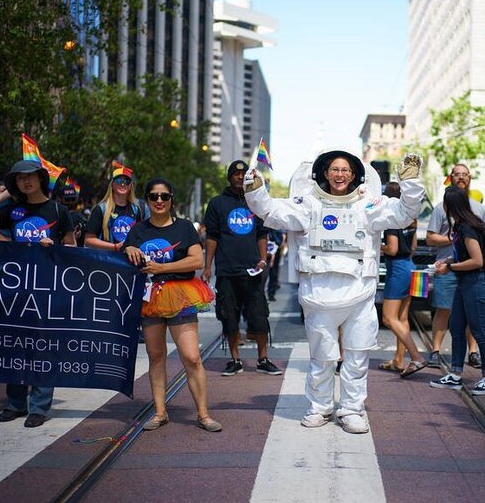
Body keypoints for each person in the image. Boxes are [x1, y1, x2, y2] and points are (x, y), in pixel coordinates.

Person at [244, 151, 424, 434]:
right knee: (322, 359)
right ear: (324, 173)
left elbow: (404, 213)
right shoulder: (308, 204)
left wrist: (411, 183)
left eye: (345, 170)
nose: (340, 175)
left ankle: (352, 409)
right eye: (334, 170)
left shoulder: (368, 203)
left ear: (354, 175)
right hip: (318, 296)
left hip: (359, 296)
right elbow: (271, 212)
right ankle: (320, 407)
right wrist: (254, 189)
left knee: (356, 357)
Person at [0, 159, 76, 427]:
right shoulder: (13, 208)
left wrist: (51, 246)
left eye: (30, 177)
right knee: (14, 346)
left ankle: (39, 406)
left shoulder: (58, 209)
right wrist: (7, 193)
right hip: (15, 286)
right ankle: (15, 403)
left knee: (43, 346)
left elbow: (72, 249)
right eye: (19, 178)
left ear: (41, 178)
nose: (26, 182)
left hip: (46, 287)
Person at [122, 177, 221, 432]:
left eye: (164, 196)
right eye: (153, 196)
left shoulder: (185, 227)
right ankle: (160, 412)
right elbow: (124, 255)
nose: (158, 201)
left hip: (181, 295)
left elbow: (196, 261)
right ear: (147, 200)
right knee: (156, 356)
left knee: (191, 357)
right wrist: (129, 249)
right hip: (148, 298)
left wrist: (162, 267)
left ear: (171, 199)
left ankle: (203, 414)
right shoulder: (137, 230)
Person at [202, 160, 282, 377]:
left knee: (258, 317)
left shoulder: (255, 202)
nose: (239, 177)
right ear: (229, 177)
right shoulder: (217, 203)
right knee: (229, 317)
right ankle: (234, 360)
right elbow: (212, 236)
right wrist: (207, 267)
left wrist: (263, 259)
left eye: (243, 174)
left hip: (252, 271)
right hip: (227, 271)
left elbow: (262, 234)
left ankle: (263, 359)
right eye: (235, 174)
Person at [426, 164, 484, 369]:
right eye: (456, 175)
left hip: (470, 273)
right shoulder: (445, 211)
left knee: (475, 321)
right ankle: (444, 359)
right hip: (452, 270)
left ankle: (476, 357)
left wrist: (451, 265)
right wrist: (450, 251)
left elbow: (477, 258)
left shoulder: (472, 217)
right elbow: (431, 238)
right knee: (451, 317)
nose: (460, 178)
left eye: (464, 175)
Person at [379, 181, 426, 377]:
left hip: (397, 268)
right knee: (403, 317)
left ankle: (416, 357)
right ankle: (399, 360)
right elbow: (413, 246)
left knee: (388, 318)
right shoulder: (410, 217)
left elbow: (392, 248)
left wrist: (377, 245)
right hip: (410, 266)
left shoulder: (390, 218)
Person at [84, 162, 144, 252]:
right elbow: (88, 240)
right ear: (112, 185)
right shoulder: (101, 209)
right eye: (119, 181)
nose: (122, 184)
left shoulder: (136, 210)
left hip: (129, 261)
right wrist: (115, 247)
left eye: (126, 182)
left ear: (131, 186)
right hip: (107, 260)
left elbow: (140, 236)